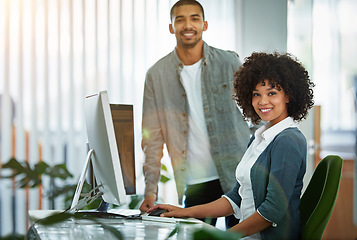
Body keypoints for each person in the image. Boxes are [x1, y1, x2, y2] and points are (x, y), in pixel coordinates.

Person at [148, 52, 315, 240]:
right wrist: (185, 212)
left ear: (288, 96)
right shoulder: (260, 138)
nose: (263, 101)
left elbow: (272, 211)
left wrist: (225, 237)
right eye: (256, 94)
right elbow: (236, 198)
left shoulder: (288, 141)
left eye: (272, 93)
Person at [139, 0, 250, 228]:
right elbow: (152, 140)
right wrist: (150, 192)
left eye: (194, 18)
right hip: (197, 183)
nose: (187, 25)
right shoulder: (156, 76)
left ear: (205, 25)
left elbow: (257, 113)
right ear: (171, 27)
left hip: (237, 175)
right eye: (180, 19)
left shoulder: (229, 62)